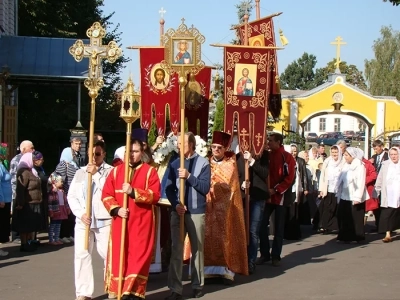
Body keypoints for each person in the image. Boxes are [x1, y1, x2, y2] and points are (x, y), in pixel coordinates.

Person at [102, 139, 161, 300]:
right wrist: (116, 209)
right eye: (129, 152)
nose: (132, 155)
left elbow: (154, 195)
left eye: (135, 152)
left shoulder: (150, 172)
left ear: (141, 152)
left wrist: (133, 192)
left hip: (141, 223)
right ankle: (120, 289)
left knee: (138, 257)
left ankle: (133, 291)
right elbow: (106, 194)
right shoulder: (115, 172)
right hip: (121, 222)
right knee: (120, 256)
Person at [165, 132, 211, 300]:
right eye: (177, 143)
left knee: (197, 249)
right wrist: (175, 204)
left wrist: (189, 176)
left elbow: (205, 188)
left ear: (191, 145)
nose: (178, 146)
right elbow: (169, 188)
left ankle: (197, 285)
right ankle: (175, 289)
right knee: (176, 250)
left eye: (181, 143)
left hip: (196, 212)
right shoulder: (174, 163)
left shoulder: (203, 163)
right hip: (178, 211)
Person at [69, 140, 114, 300]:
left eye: (97, 154)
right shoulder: (80, 172)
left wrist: (96, 175)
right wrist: (80, 213)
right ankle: (83, 292)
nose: (94, 157)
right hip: (84, 220)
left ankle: (112, 287)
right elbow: (72, 196)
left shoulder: (110, 171)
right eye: (91, 154)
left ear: (104, 154)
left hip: (103, 219)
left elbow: (110, 192)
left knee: (108, 254)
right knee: (82, 254)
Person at [204, 131, 248, 284]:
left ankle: (225, 272)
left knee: (225, 239)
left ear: (224, 149)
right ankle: (207, 272)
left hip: (225, 209)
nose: (216, 150)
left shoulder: (231, 163)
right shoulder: (205, 162)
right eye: (213, 147)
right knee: (207, 238)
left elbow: (231, 186)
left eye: (219, 148)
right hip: (208, 207)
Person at [257, 133, 296, 267]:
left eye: (271, 141)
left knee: (279, 228)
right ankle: (264, 253)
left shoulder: (287, 157)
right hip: (267, 196)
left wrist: (276, 189)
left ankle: (276, 255)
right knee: (262, 225)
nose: (269, 143)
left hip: (280, 196)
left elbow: (289, 178)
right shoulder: (266, 155)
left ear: (278, 142)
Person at [236, 140, 269, 274]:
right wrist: (241, 185)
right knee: (242, 229)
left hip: (258, 196)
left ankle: (251, 261)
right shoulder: (237, 157)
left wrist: (252, 161)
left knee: (253, 230)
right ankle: (241, 259)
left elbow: (265, 173)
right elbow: (235, 176)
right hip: (243, 197)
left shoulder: (263, 155)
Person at [335, 147, 369, 243]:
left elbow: (361, 182)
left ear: (352, 156)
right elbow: (341, 179)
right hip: (345, 194)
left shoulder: (359, 166)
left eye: (346, 155)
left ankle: (356, 236)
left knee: (355, 217)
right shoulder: (346, 165)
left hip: (355, 195)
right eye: (344, 155)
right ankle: (344, 236)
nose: (344, 157)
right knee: (343, 215)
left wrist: (358, 197)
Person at [12, 152, 42, 252]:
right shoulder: (23, 172)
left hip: (33, 202)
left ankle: (29, 242)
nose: (34, 162)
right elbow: (20, 189)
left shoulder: (31, 170)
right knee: (24, 225)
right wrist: (20, 203)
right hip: (26, 203)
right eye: (33, 160)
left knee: (30, 225)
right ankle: (24, 244)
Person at [10, 140, 34, 242]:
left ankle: (27, 237)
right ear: (23, 149)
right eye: (31, 148)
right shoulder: (17, 160)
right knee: (18, 215)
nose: (33, 150)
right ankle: (16, 236)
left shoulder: (30, 159)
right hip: (18, 192)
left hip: (27, 193)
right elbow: (15, 178)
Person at [374, 147, 400, 243]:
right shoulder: (385, 165)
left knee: (396, 213)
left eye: (395, 154)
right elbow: (380, 178)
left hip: (398, 193)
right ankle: (387, 234)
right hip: (388, 193)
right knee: (386, 214)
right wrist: (376, 190)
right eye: (392, 154)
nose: (393, 156)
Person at [56, 145, 80, 243]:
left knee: (71, 215)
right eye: (72, 153)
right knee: (65, 215)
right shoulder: (63, 164)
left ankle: (69, 234)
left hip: (74, 192)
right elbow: (59, 179)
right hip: (66, 193)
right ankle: (63, 235)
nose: (74, 155)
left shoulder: (73, 164)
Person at [317, 145, 345, 234]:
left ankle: (337, 226)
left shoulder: (343, 162)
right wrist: (321, 189)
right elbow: (323, 176)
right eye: (333, 152)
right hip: (328, 188)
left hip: (339, 190)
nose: (334, 154)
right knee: (327, 208)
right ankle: (324, 226)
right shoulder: (327, 161)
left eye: (336, 152)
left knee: (337, 208)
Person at [47, 172, 70, 245]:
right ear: (55, 182)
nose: (62, 183)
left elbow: (65, 201)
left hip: (61, 210)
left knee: (58, 225)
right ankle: (51, 239)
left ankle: (56, 238)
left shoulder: (62, 191)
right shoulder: (52, 192)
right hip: (55, 210)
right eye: (61, 181)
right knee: (53, 225)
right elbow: (50, 202)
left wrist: (67, 208)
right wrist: (50, 210)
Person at [0, 143, 12, 256]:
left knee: (3, 224)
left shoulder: (2, 164)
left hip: (6, 200)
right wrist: (1, 199)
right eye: (6, 151)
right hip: (2, 201)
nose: (8, 153)